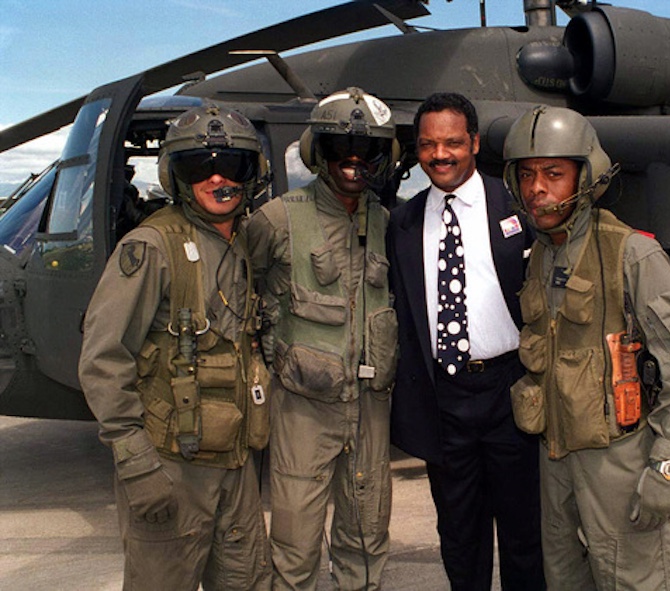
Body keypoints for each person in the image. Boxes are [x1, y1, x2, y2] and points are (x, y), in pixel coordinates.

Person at [502, 104, 670, 590]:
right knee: (565, 578)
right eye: (527, 175)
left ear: (586, 176)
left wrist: (666, 465)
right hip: (555, 458)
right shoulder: (541, 254)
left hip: (619, 459)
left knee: (637, 579)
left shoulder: (631, 252)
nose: (537, 188)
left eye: (554, 173)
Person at [78, 104, 272, 590]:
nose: (217, 177)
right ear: (175, 176)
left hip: (235, 466)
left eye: (233, 165)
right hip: (171, 468)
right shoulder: (150, 249)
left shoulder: (242, 243)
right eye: (198, 166)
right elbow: (103, 360)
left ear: (252, 174)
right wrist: (136, 464)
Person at [387, 92, 545, 591]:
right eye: (429, 144)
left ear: (474, 142)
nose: (441, 155)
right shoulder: (403, 223)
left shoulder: (515, 205)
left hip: (510, 392)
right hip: (444, 399)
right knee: (459, 534)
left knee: (524, 532)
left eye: (453, 142)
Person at [247, 87, 399, 591]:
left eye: (368, 151)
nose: (353, 162)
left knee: (366, 535)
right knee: (295, 543)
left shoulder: (385, 223)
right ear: (317, 153)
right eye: (338, 149)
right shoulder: (276, 219)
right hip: (303, 408)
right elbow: (243, 292)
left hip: (371, 407)